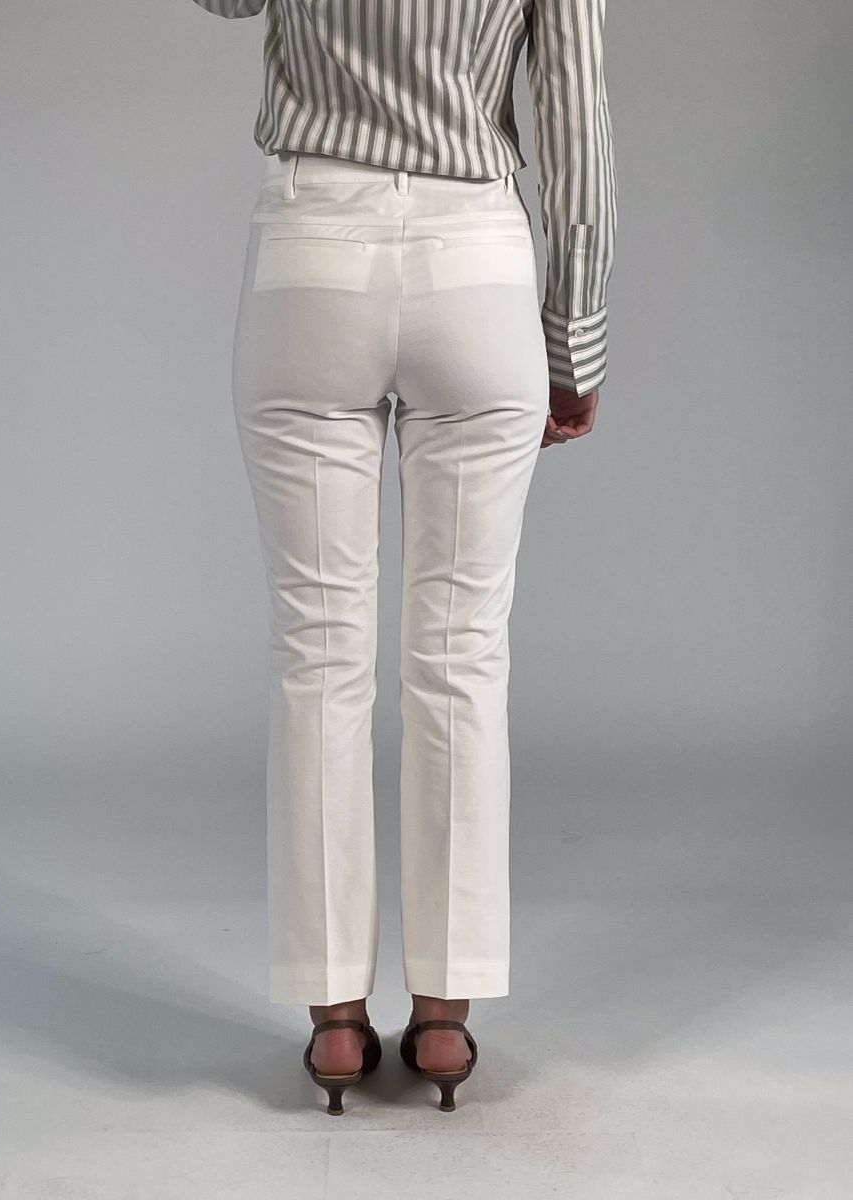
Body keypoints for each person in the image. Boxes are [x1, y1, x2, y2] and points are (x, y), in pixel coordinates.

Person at [189, 0, 617, 1114]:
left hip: (311, 253)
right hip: (476, 262)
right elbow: (575, 119)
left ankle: (336, 1022)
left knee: (319, 654)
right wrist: (574, 336)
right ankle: (442, 1016)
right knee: (462, 655)